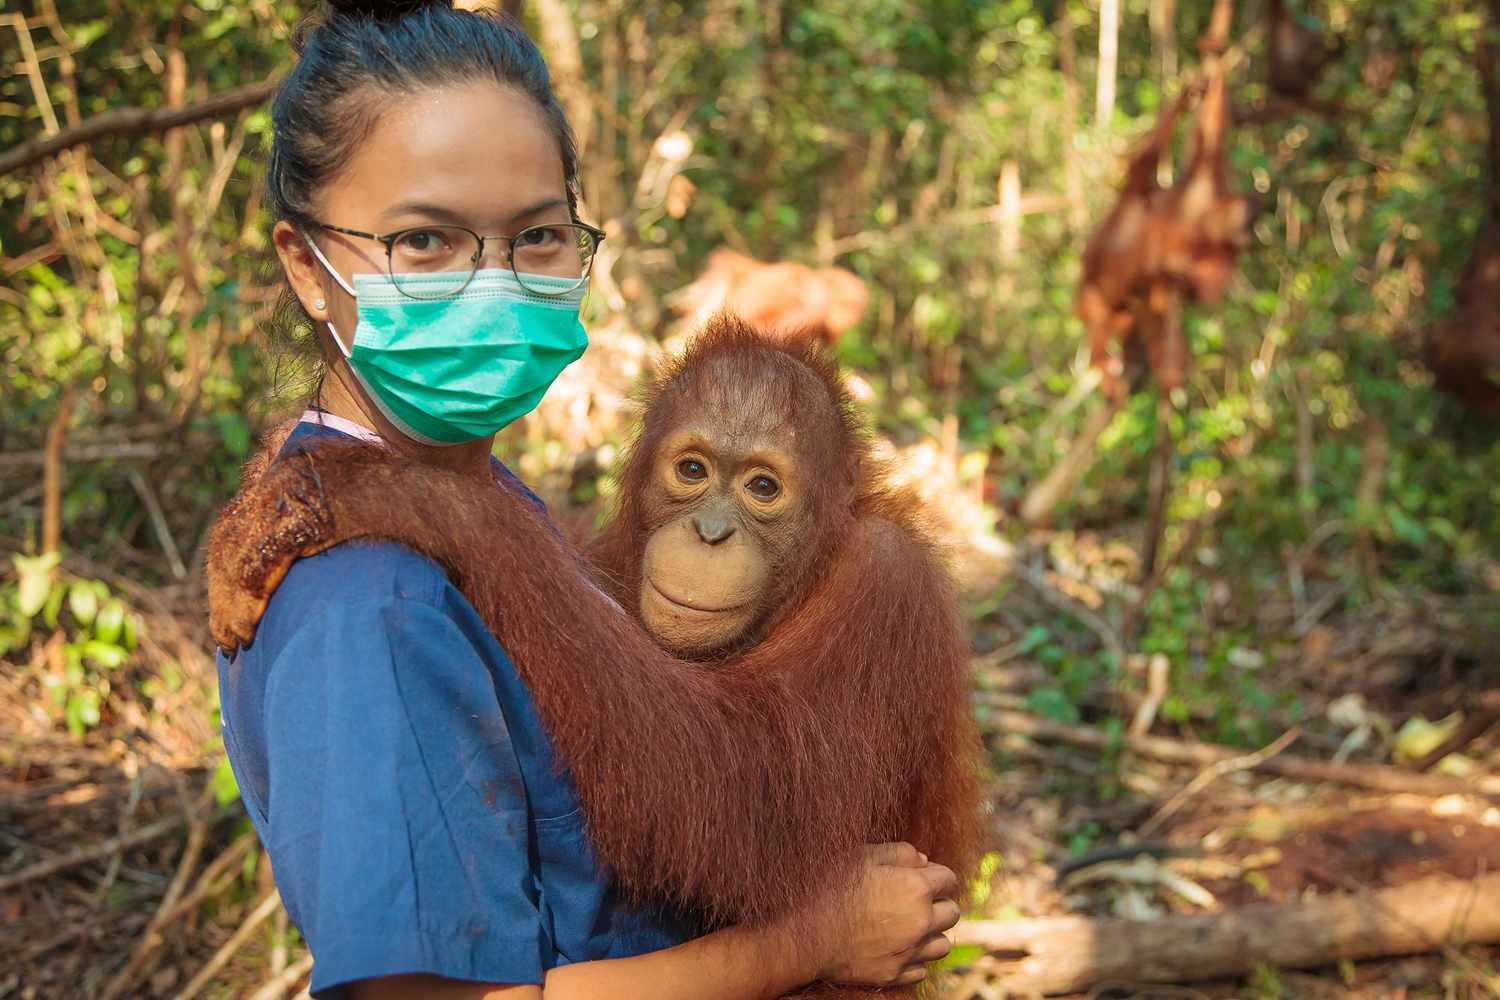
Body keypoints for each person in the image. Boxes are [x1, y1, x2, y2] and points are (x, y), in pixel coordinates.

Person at [215, 2, 961, 998]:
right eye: (426, 241)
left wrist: (413, 501)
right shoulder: (374, 600)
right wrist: (803, 945)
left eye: (535, 235)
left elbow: (700, 776)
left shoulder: (472, 499)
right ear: (306, 265)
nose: (491, 284)